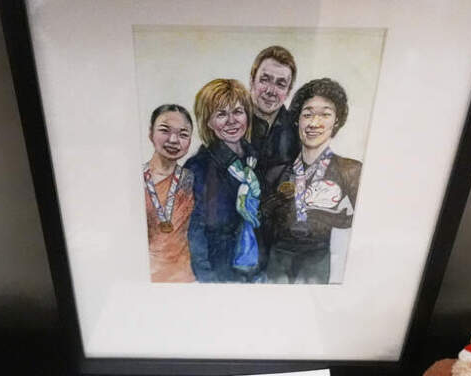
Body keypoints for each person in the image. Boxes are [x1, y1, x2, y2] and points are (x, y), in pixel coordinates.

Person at [262, 78, 361, 284]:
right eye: (307, 114)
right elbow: (262, 223)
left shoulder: (350, 171)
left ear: (336, 121)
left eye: (325, 114)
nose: (314, 123)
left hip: (319, 266)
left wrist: (335, 218)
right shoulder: (276, 172)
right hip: (276, 266)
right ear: (297, 119)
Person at [186, 79, 266, 283]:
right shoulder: (198, 168)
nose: (232, 121)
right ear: (208, 122)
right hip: (221, 273)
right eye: (221, 114)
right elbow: (195, 233)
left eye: (238, 112)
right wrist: (208, 280)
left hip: (259, 272)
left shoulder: (256, 160)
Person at [143, 104, 196, 282]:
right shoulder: (136, 180)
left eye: (183, 134)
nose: (174, 140)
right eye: (165, 130)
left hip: (186, 278)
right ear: (151, 133)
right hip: (146, 278)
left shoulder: (193, 181)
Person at [248, 46, 300, 173]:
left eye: (280, 84)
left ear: (288, 91)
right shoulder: (231, 123)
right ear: (251, 80)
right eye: (265, 80)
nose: (271, 91)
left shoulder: (296, 132)